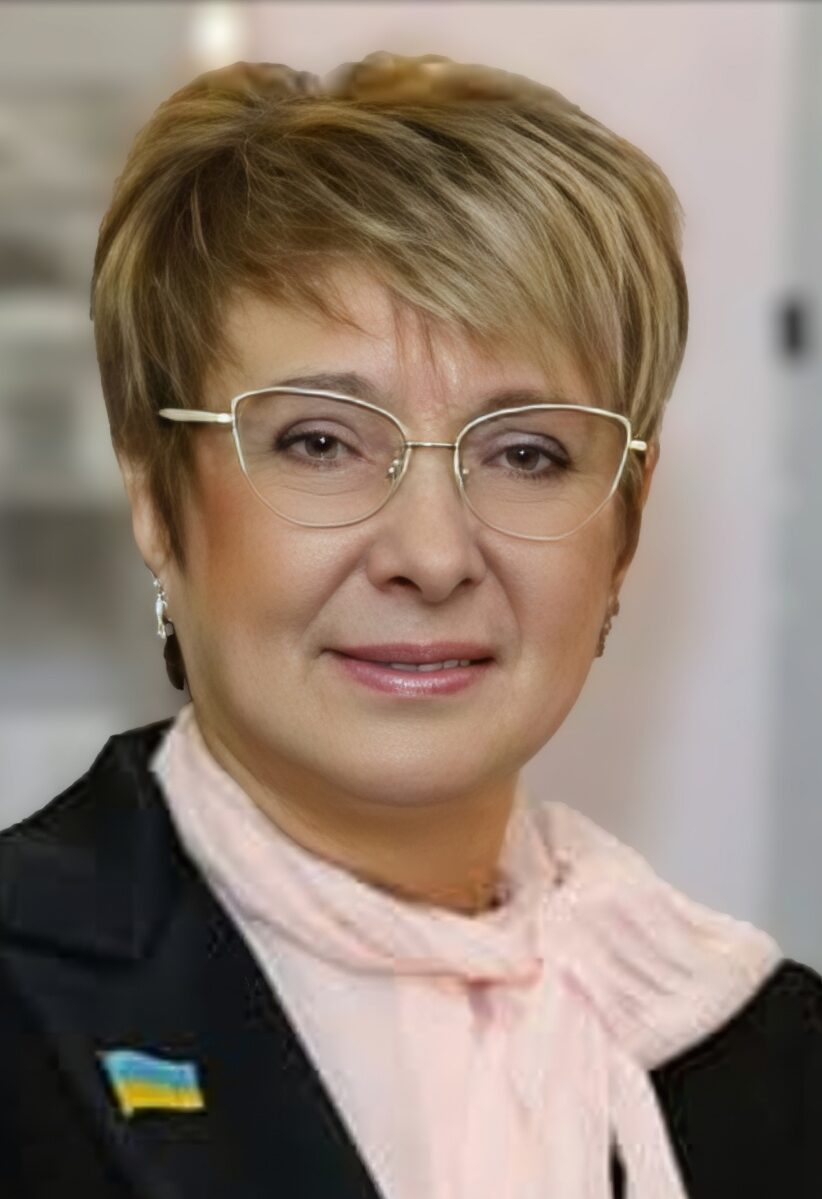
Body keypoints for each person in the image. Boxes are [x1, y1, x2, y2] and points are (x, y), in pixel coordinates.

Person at [1, 51, 820, 1199]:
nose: (432, 555)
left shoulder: (760, 1052)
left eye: (526, 453)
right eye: (320, 442)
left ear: (624, 527)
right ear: (154, 496)